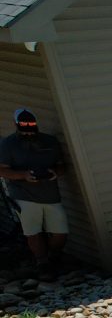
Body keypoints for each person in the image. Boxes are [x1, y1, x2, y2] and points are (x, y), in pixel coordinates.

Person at [0, 107, 68, 273]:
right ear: (16, 125)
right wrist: (23, 175)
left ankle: (53, 256)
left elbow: (61, 166)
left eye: (32, 129)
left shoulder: (50, 141)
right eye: (24, 130)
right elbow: (2, 170)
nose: (29, 133)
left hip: (50, 194)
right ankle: (42, 263)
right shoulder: (8, 144)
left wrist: (54, 173)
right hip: (23, 194)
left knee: (61, 231)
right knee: (33, 231)